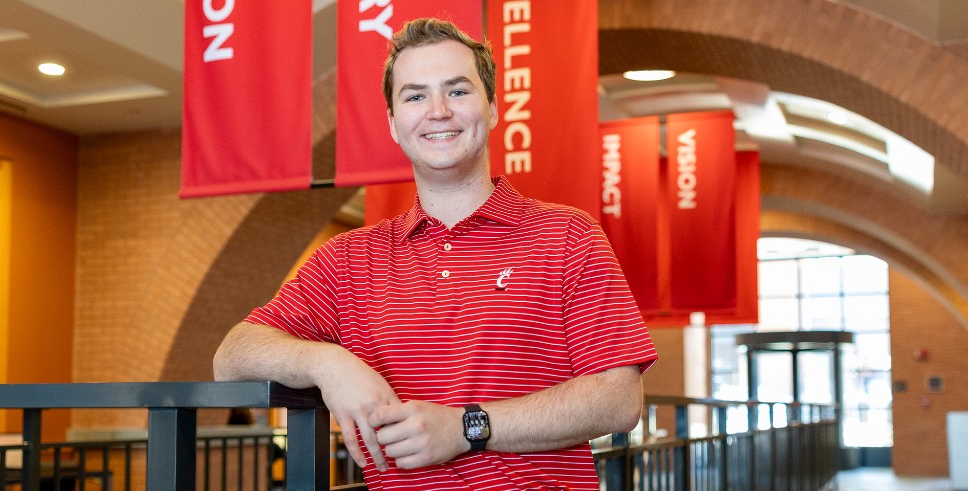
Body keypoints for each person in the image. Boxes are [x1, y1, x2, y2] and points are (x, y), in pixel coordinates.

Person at [213, 17, 658, 490]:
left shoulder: (568, 234)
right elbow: (231, 357)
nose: (438, 110)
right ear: (393, 124)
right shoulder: (348, 259)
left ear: (492, 110)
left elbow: (619, 399)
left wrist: (467, 429)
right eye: (415, 95)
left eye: (459, 91)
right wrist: (327, 364)